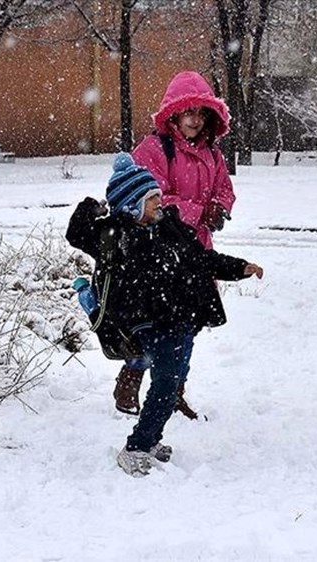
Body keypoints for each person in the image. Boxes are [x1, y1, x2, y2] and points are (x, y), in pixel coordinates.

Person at [66, 153, 263, 477]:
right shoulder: (114, 236)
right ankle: (136, 447)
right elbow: (77, 233)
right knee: (166, 384)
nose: (159, 202)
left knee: (170, 383)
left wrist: (240, 267)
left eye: (158, 196)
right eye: (151, 198)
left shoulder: (171, 229)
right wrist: (92, 207)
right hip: (148, 321)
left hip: (181, 316)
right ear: (132, 205)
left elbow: (203, 259)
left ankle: (151, 438)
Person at [127, 70, 235, 420]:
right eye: (187, 112)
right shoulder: (154, 149)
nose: (193, 120)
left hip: (197, 252)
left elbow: (224, 188)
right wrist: (198, 211)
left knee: (190, 326)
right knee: (159, 326)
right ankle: (132, 374)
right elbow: (150, 200)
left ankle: (174, 391)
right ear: (173, 113)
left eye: (200, 113)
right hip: (160, 254)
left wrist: (220, 207)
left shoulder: (213, 154)